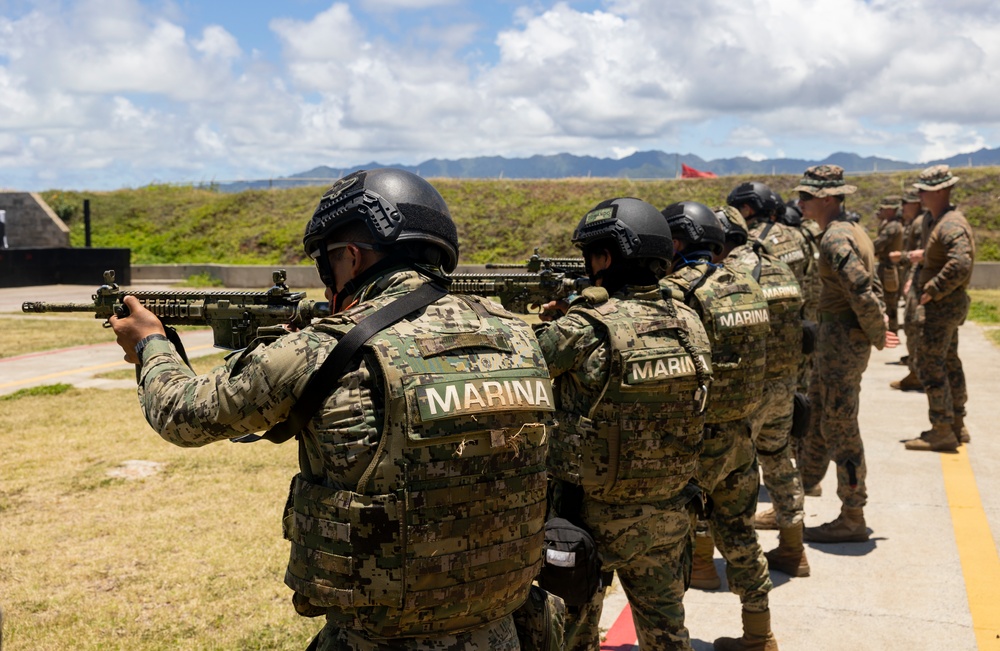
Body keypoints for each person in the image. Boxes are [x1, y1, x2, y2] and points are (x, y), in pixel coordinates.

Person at [110, 168, 556, 651]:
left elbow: (182, 414)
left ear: (351, 256)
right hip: (499, 625)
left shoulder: (324, 348)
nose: (326, 286)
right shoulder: (519, 337)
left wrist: (150, 343)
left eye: (326, 266)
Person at [538, 197, 713, 651]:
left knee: (574, 631)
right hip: (672, 506)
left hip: (591, 517)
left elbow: (531, 365)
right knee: (667, 629)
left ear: (605, 257)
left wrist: (569, 311)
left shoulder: (587, 326)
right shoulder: (688, 321)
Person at [660, 201, 778, 651]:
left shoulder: (681, 292)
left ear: (675, 242)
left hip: (696, 439)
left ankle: (669, 638)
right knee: (740, 532)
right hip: (741, 433)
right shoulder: (748, 286)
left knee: (670, 544)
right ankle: (759, 634)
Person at [792, 165, 898, 544]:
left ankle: (853, 513)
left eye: (805, 196)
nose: (800, 202)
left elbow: (861, 288)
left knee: (840, 426)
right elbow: (877, 284)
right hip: (836, 339)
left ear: (826, 198)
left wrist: (876, 332)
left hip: (840, 342)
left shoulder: (835, 238)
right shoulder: (853, 229)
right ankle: (794, 506)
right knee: (819, 415)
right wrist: (877, 325)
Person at [716, 206, 809, 579]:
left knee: (722, 473)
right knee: (779, 460)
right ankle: (793, 548)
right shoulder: (780, 267)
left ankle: (706, 562)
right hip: (784, 384)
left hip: (750, 388)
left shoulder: (732, 274)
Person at [902, 165, 976, 451]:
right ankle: (956, 423)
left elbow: (960, 263)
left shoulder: (950, 223)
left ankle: (943, 428)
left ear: (942, 190)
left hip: (941, 307)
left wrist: (933, 289)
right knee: (948, 361)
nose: (920, 194)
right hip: (944, 306)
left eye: (925, 190)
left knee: (930, 364)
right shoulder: (935, 220)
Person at [889, 191, 926, 391]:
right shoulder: (917, 222)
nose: (902, 207)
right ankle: (916, 370)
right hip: (914, 276)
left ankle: (917, 373)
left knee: (913, 327)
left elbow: (920, 255)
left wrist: (910, 278)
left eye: (906, 203)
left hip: (917, 279)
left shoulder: (920, 223)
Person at [872, 196, 905, 334]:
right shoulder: (888, 223)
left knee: (890, 300)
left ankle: (892, 330)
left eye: (883, 209)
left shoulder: (893, 226)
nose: (880, 211)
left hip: (889, 268)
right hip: (886, 266)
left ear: (890, 210)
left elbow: (879, 244)